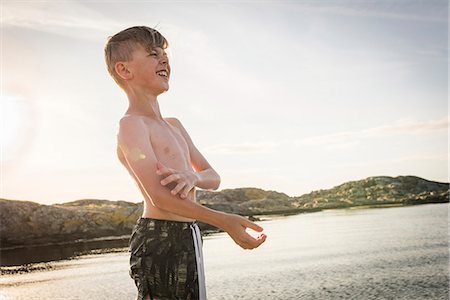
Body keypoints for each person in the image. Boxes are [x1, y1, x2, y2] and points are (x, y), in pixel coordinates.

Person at [104, 26, 267, 300]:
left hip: (188, 233)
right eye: (153, 54)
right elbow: (159, 197)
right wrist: (224, 221)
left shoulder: (175, 125)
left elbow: (212, 177)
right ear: (124, 70)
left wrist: (193, 178)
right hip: (159, 238)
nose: (164, 60)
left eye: (165, 55)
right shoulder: (131, 125)